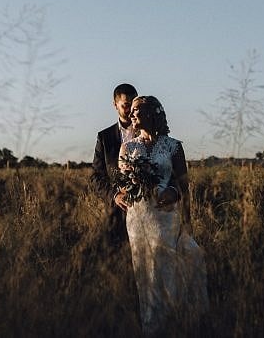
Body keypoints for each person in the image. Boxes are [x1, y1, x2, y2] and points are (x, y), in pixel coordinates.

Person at [115, 96, 209, 337]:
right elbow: (123, 184)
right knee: (144, 272)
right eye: (132, 110)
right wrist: (124, 190)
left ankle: (173, 324)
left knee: (167, 272)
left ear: (153, 114)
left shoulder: (173, 146)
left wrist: (176, 198)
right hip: (137, 220)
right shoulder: (127, 148)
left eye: (138, 110)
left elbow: (184, 187)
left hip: (167, 219)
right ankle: (151, 328)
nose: (132, 114)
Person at [91, 83, 138, 248]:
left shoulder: (148, 133)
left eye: (133, 104)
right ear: (115, 105)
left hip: (145, 212)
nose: (131, 110)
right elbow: (96, 177)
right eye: (126, 105)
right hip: (116, 215)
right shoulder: (104, 137)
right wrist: (114, 195)